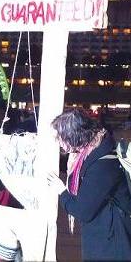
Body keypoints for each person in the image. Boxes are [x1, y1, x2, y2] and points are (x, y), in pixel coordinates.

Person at [47, 108, 131, 261]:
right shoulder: (90, 153)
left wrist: (62, 191)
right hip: (104, 235)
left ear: (73, 136)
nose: (58, 143)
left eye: (60, 138)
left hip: (111, 243)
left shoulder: (103, 165)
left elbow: (83, 211)